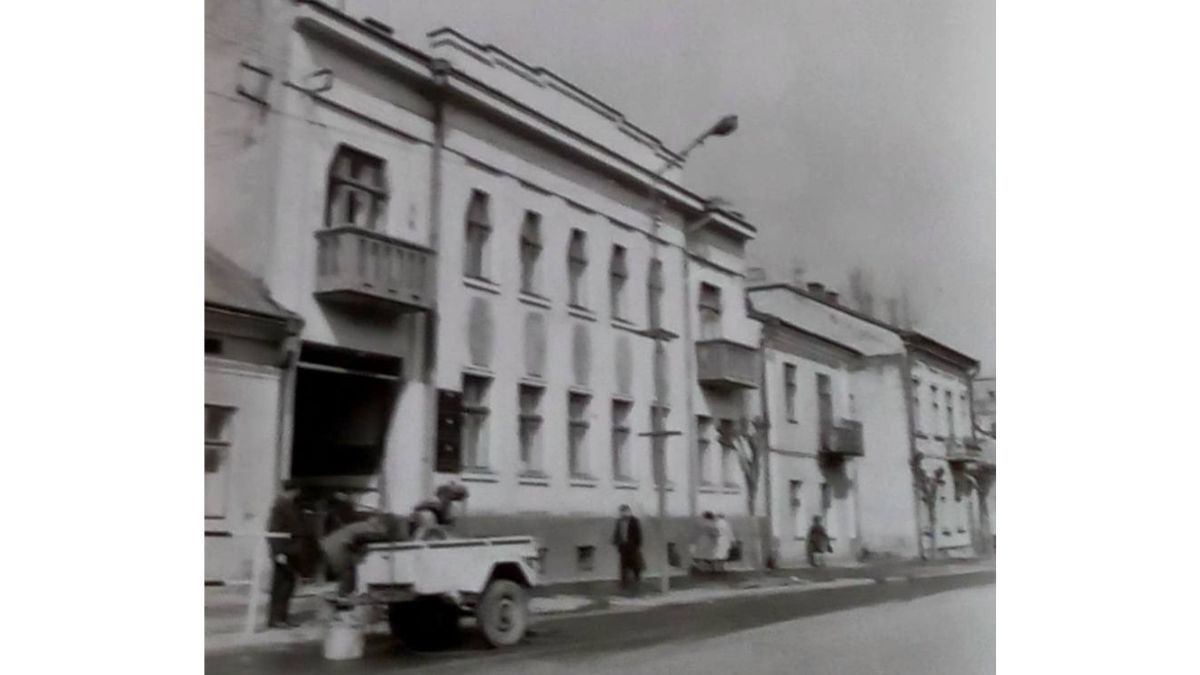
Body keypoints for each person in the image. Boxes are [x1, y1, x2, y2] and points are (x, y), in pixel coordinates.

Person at [266, 482, 303, 628]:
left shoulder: (288, 505)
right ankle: (276, 619)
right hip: (283, 552)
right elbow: (273, 532)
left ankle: (282, 617)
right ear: (293, 491)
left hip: (290, 551)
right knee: (281, 586)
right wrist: (278, 552)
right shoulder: (279, 507)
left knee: (288, 585)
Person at [611, 504, 644, 595]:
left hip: (632, 547)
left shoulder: (634, 521)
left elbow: (638, 534)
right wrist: (615, 541)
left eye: (624, 511)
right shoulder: (619, 521)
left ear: (628, 511)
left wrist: (637, 545)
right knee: (623, 566)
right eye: (621, 511)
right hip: (623, 547)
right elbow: (617, 532)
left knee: (635, 564)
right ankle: (623, 583)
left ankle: (637, 578)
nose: (623, 513)